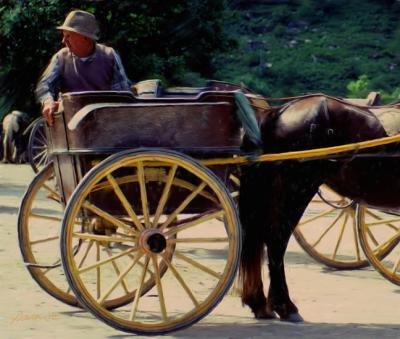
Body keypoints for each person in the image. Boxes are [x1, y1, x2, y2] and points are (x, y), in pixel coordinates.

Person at [36, 9, 132, 125]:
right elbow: (44, 85)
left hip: (104, 122)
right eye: (63, 36)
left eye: (68, 36)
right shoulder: (61, 57)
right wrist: (48, 102)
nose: (63, 41)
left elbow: (122, 93)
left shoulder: (109, 55)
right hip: (70, 122)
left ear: (85, 38)